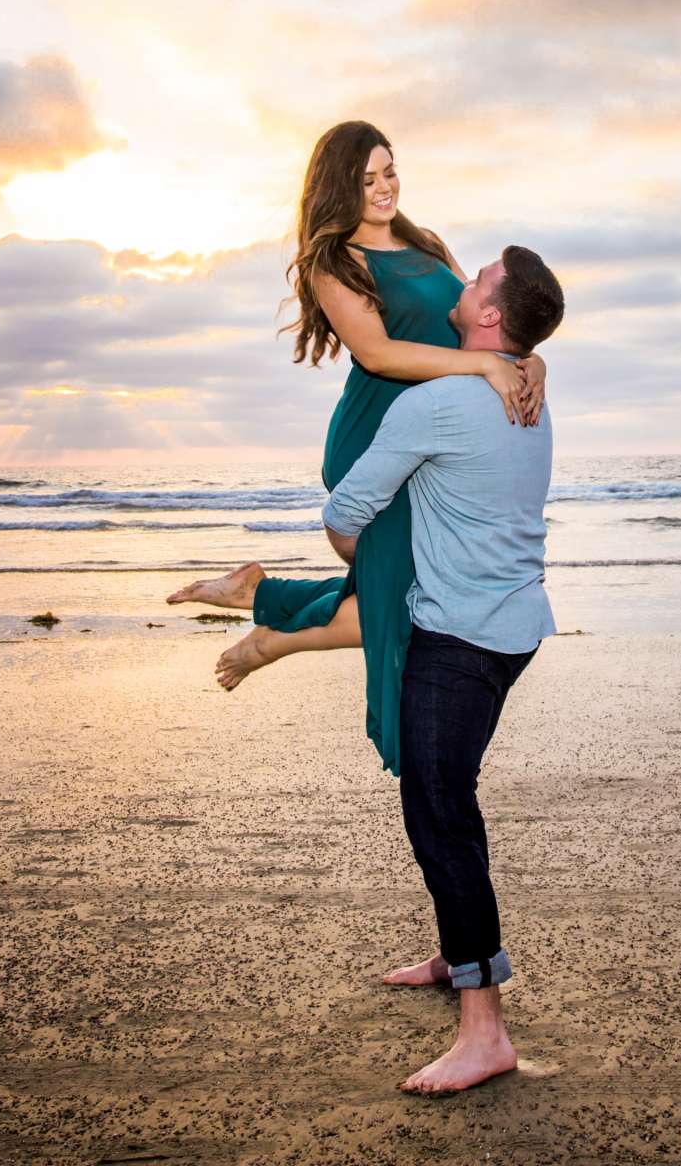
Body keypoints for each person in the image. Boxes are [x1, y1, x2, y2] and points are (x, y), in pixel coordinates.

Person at [164, 121, 547, 777]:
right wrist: (486, 371)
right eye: (367, 178)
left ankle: (260, 597)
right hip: (376, 432)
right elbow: (377, 352)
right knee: (404, 595)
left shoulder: (425, 242)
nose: (384, 188)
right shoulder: (333, 261)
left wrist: (530, 362)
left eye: (390, 171)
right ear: (340, 186)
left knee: (406, 588)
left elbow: (479, 328)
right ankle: (269, 638)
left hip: (427, 435)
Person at [320, 244, 566, 1095]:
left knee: (439, 812)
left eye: (475, 281)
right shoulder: (530, 381)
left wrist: (380, 572)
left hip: (458, 640)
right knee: (447, 798)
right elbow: (519, 353)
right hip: (516, 629)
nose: (459, 285)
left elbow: (344, 513)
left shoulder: (439, 404)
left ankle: (484, 1027)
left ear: (490, 315)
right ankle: (455, 954)